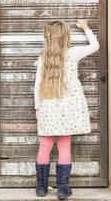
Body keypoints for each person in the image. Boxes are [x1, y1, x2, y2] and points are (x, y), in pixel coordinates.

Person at [34, 20, 99, 199]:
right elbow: (95, 45)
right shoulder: (74, 53)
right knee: (64, 146)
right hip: (69, 109)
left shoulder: (43, 58)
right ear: (67, 38)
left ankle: (41, 188)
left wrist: (37, 107)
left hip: (48, 107)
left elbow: (37, 84)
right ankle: (62, 189)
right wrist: (86, 28)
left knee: (45, 145)